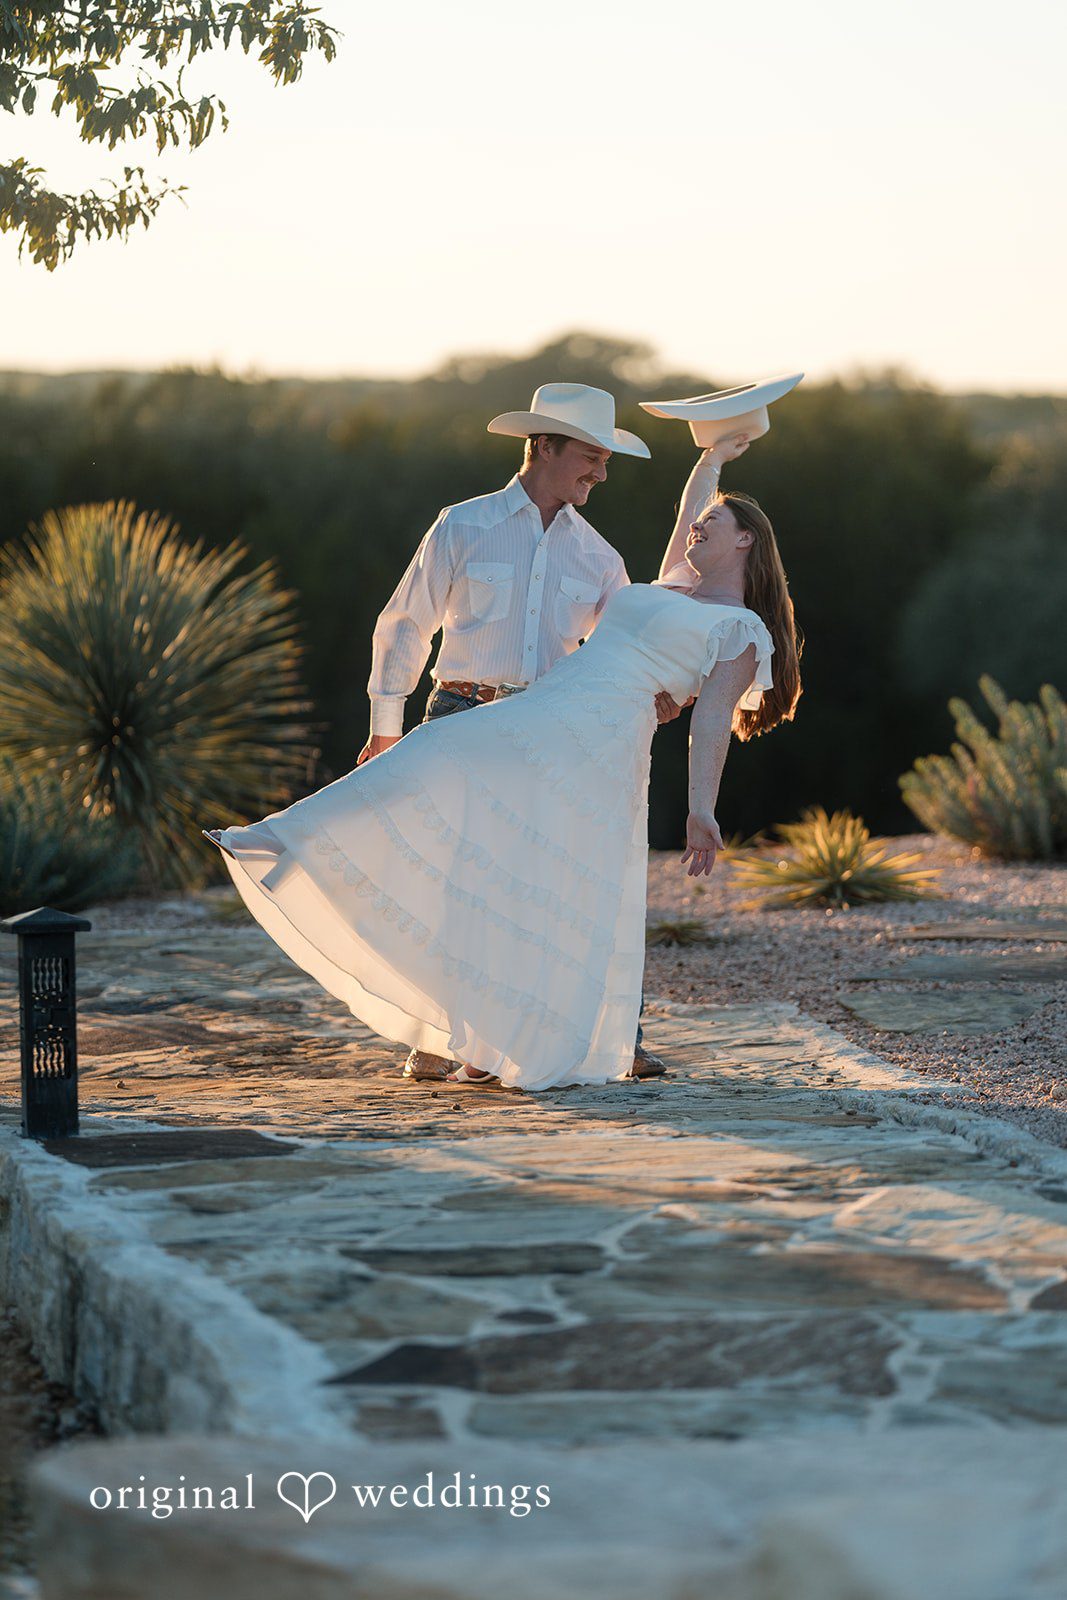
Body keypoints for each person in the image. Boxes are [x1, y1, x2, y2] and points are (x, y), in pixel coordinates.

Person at [202, 452, 802, 1094]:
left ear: (747, 538)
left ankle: (508, 1035)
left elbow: (712, 720)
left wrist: (701, 809)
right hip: (546, 708)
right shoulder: (670, 587)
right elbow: (690, 515)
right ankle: (298, 847)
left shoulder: (740, 629)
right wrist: (710, 456)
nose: (694, 529)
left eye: (713, 522)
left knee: (547, 877)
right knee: (444, 777)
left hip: (597, 741)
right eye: (696, 523)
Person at [356, 381, 684, 1083]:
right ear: (543, 447)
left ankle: (593, 1037)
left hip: (549, 728)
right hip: (458, 717)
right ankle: (440, 1037)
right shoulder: (463, 525)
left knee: (550, 880)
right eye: (590, 457)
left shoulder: (598, 557)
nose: (600, 473)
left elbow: (619, 651)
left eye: (605, 461)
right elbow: (406, 623)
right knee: (456, 879)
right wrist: (385, 726)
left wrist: (657, 691)